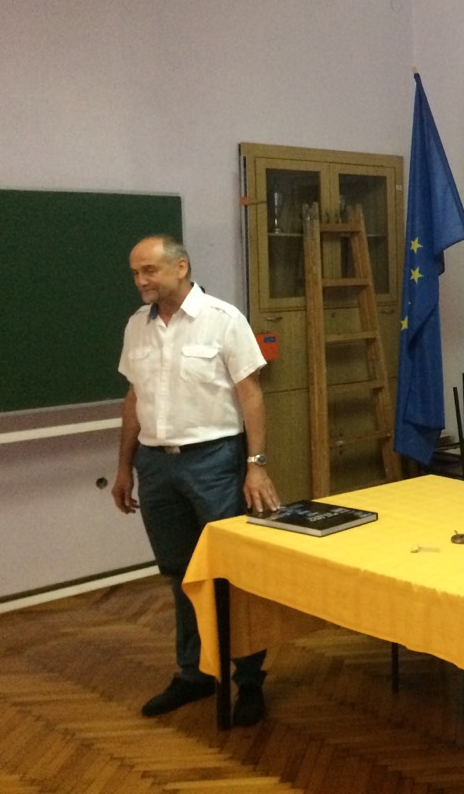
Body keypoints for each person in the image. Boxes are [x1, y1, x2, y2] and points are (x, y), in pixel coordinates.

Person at [111, 235, 280, 725]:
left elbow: (251, 395)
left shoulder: (223, 319)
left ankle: (249, 680)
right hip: (155, 466)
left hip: (214, 461)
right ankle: (195, 672)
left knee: (231, 572)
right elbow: (133, 399)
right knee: (182, 573)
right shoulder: (136, 326)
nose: (140, 281)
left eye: (149, 270)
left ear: (180, 267)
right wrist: (124, 467)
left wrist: (256, 463)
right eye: (135, 273)